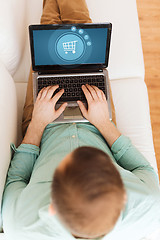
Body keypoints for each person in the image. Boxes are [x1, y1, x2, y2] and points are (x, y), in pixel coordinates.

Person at [2, 0, 160, 240]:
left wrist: (37, 123)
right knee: (80, 38)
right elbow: (141, 168)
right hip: (99, 122)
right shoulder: (149, 206)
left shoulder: (19, 221)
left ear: (52, 207)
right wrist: (103, 122)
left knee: (49, 39)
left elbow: (17, 178)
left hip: (41, 125)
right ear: (125, 195)